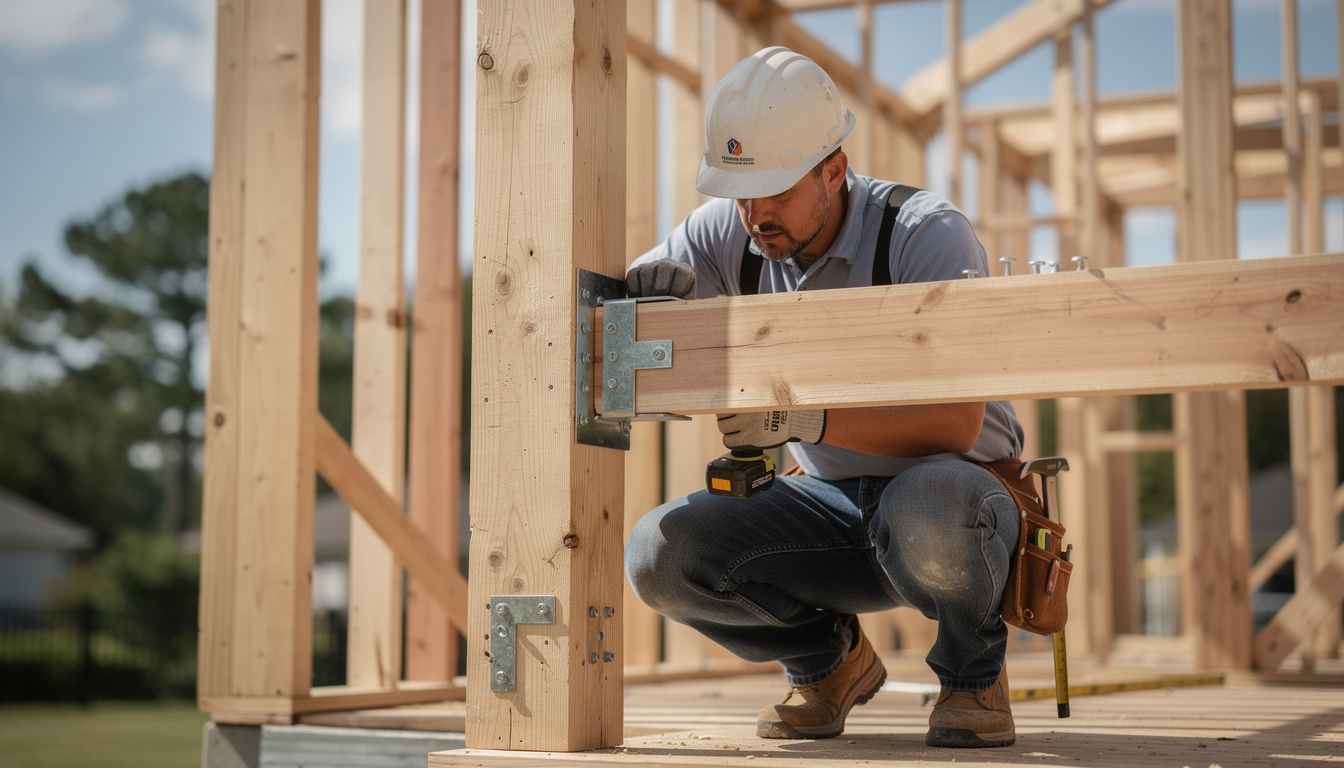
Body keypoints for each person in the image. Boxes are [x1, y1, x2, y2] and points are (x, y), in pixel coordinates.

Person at [622, 46, 1027, 749]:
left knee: (932, 501)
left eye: (775, 190)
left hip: (957, 506)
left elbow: (957, 422)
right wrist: (646, 300)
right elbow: (639, 302)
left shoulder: (923, 234)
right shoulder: (733, 229)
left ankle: (973, 678)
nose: (755, 214)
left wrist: (800, 418)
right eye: (741, 193)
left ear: (833, 171)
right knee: (660, 553)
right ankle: (827, 664)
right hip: (830, 507)